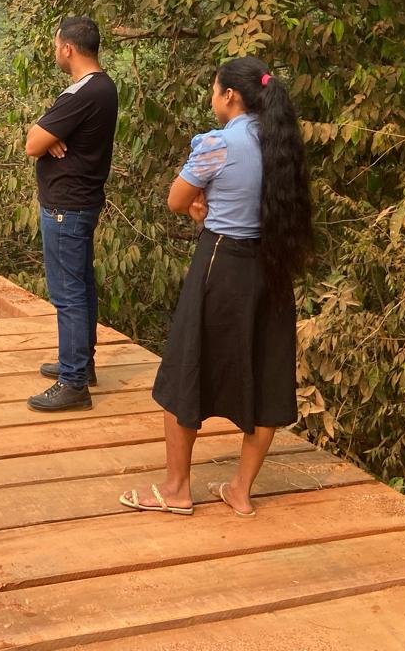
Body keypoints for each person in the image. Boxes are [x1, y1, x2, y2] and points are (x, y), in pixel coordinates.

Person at [121, 55, 313, 517]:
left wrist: (199, 202)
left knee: (184, 370)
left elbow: (176, 199)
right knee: (266, 377)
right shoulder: (282, 144)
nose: (212, 98)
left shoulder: (218, 144)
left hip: (221, 264)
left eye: (214, 90)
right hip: (273, 269)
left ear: (230, 95)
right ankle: (241, 490)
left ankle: (176, 490)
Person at [24, 16, 119, 411]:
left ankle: (74, 382)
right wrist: (52, 137)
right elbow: (45, 137)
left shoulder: (81, 94)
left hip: (67, 206)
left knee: (68, 294)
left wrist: (47, 137)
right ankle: (80, 364)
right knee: (81, 286)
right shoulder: (103, 87)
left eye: (55, 46)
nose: (54, 53)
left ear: (68, 48)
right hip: (82, 202)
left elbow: (32, 142)